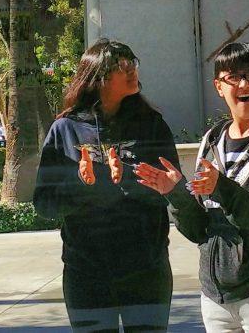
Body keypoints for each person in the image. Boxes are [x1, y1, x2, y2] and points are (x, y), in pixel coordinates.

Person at [136, 42, 249, 332]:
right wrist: (176, 194)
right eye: (233, 76)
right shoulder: (212, 140)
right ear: (219, 86)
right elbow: (199, 231)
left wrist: (223, 187)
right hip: (216, 300)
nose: (244, 83)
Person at [32, 39, 181, 332]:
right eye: (120, 65)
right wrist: (81, 182)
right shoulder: (65, 129)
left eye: (132, 62)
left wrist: (127, 176)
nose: (131, 70)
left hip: (146, 270)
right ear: (97, 77)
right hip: (86, 273)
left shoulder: (151, 124)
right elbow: (44, 203)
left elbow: (169, 191)